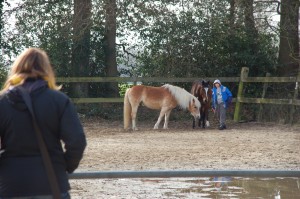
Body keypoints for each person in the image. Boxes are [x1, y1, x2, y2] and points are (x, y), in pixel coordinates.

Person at [0, 48, 87, 198]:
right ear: (46, 69)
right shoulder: (59, 100)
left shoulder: (3, 102)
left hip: (11, 186)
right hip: (51, 183)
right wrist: (63, 166)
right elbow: (77, 141)